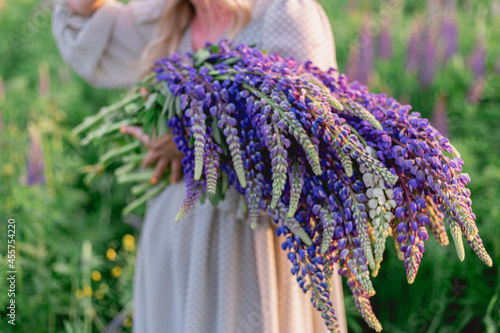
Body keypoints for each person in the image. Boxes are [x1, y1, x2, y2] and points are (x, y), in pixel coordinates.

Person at [52, 0, 347, 332]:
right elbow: (87, 33)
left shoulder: (284, 14)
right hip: (172, 257)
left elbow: (310, 142)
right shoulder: (165, 17)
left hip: (251, 253)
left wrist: (195, 144)